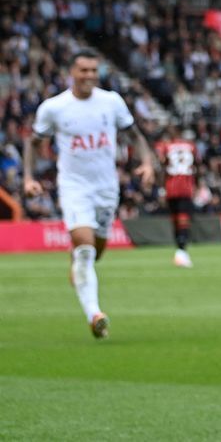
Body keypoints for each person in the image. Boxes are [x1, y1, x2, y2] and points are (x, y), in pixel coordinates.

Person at [22, 49, 157, 339]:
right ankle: (94, 314)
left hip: (107, 188)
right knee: (84, 248)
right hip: (74, 187)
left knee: (96, 251)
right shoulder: (54, 107)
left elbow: (135, 135)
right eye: (83, 70)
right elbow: (33, 142)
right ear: (72, 72)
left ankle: (78, 263)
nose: (89, 76)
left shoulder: (111, 102)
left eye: (94, 70)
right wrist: (29, 178)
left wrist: (146, 163)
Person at [154, 127, 198, 268]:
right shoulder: (191, 146)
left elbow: (161, 166)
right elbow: (196, 166)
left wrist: (161, 189)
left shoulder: (165, 146)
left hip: (171, 186)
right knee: (183, 219)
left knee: (176, 220)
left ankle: (180, 252)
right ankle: (182, 251)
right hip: (186, 186)